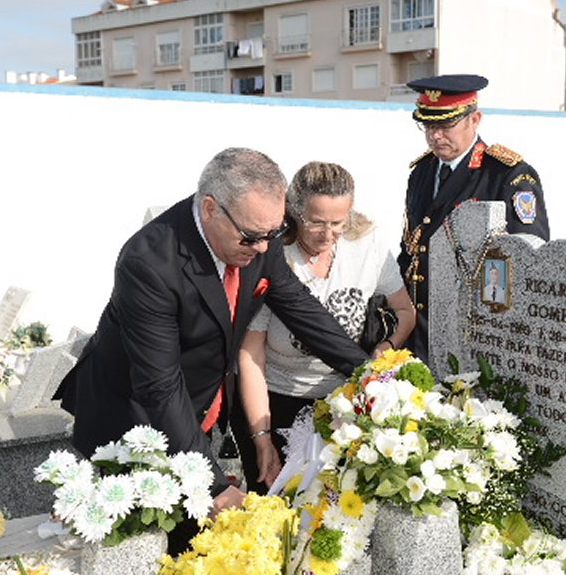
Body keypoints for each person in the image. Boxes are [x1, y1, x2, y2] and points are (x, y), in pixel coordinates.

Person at [54, 148, 367, 551]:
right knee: (148, 550)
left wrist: (371, 373)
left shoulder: (259, 232)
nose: (263, 248)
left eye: (273, 234)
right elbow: (159, 385)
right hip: (132, 421)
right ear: (210, 209)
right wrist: (213, 484)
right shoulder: (149, 262)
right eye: (252, 237)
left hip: (194, 409)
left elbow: (299, 307)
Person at [235, 161, 416, 493]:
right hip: (277, 400)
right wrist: (262, 435)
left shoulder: (369, 246)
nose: (328, 235)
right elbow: (251, 354)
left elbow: (405, 310)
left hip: (345, 400)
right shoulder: (274, 254)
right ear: (294, 211)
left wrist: (387, 346)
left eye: (338, 223)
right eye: (316, 222)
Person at [398, 74, 549, 361]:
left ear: (475, 119)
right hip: (419, 330)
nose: (435, 136)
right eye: (428, 125)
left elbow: (527, 258)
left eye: (445, 125)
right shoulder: (422, 171)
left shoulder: (507, 174)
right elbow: (411, 247)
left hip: (473, 331)